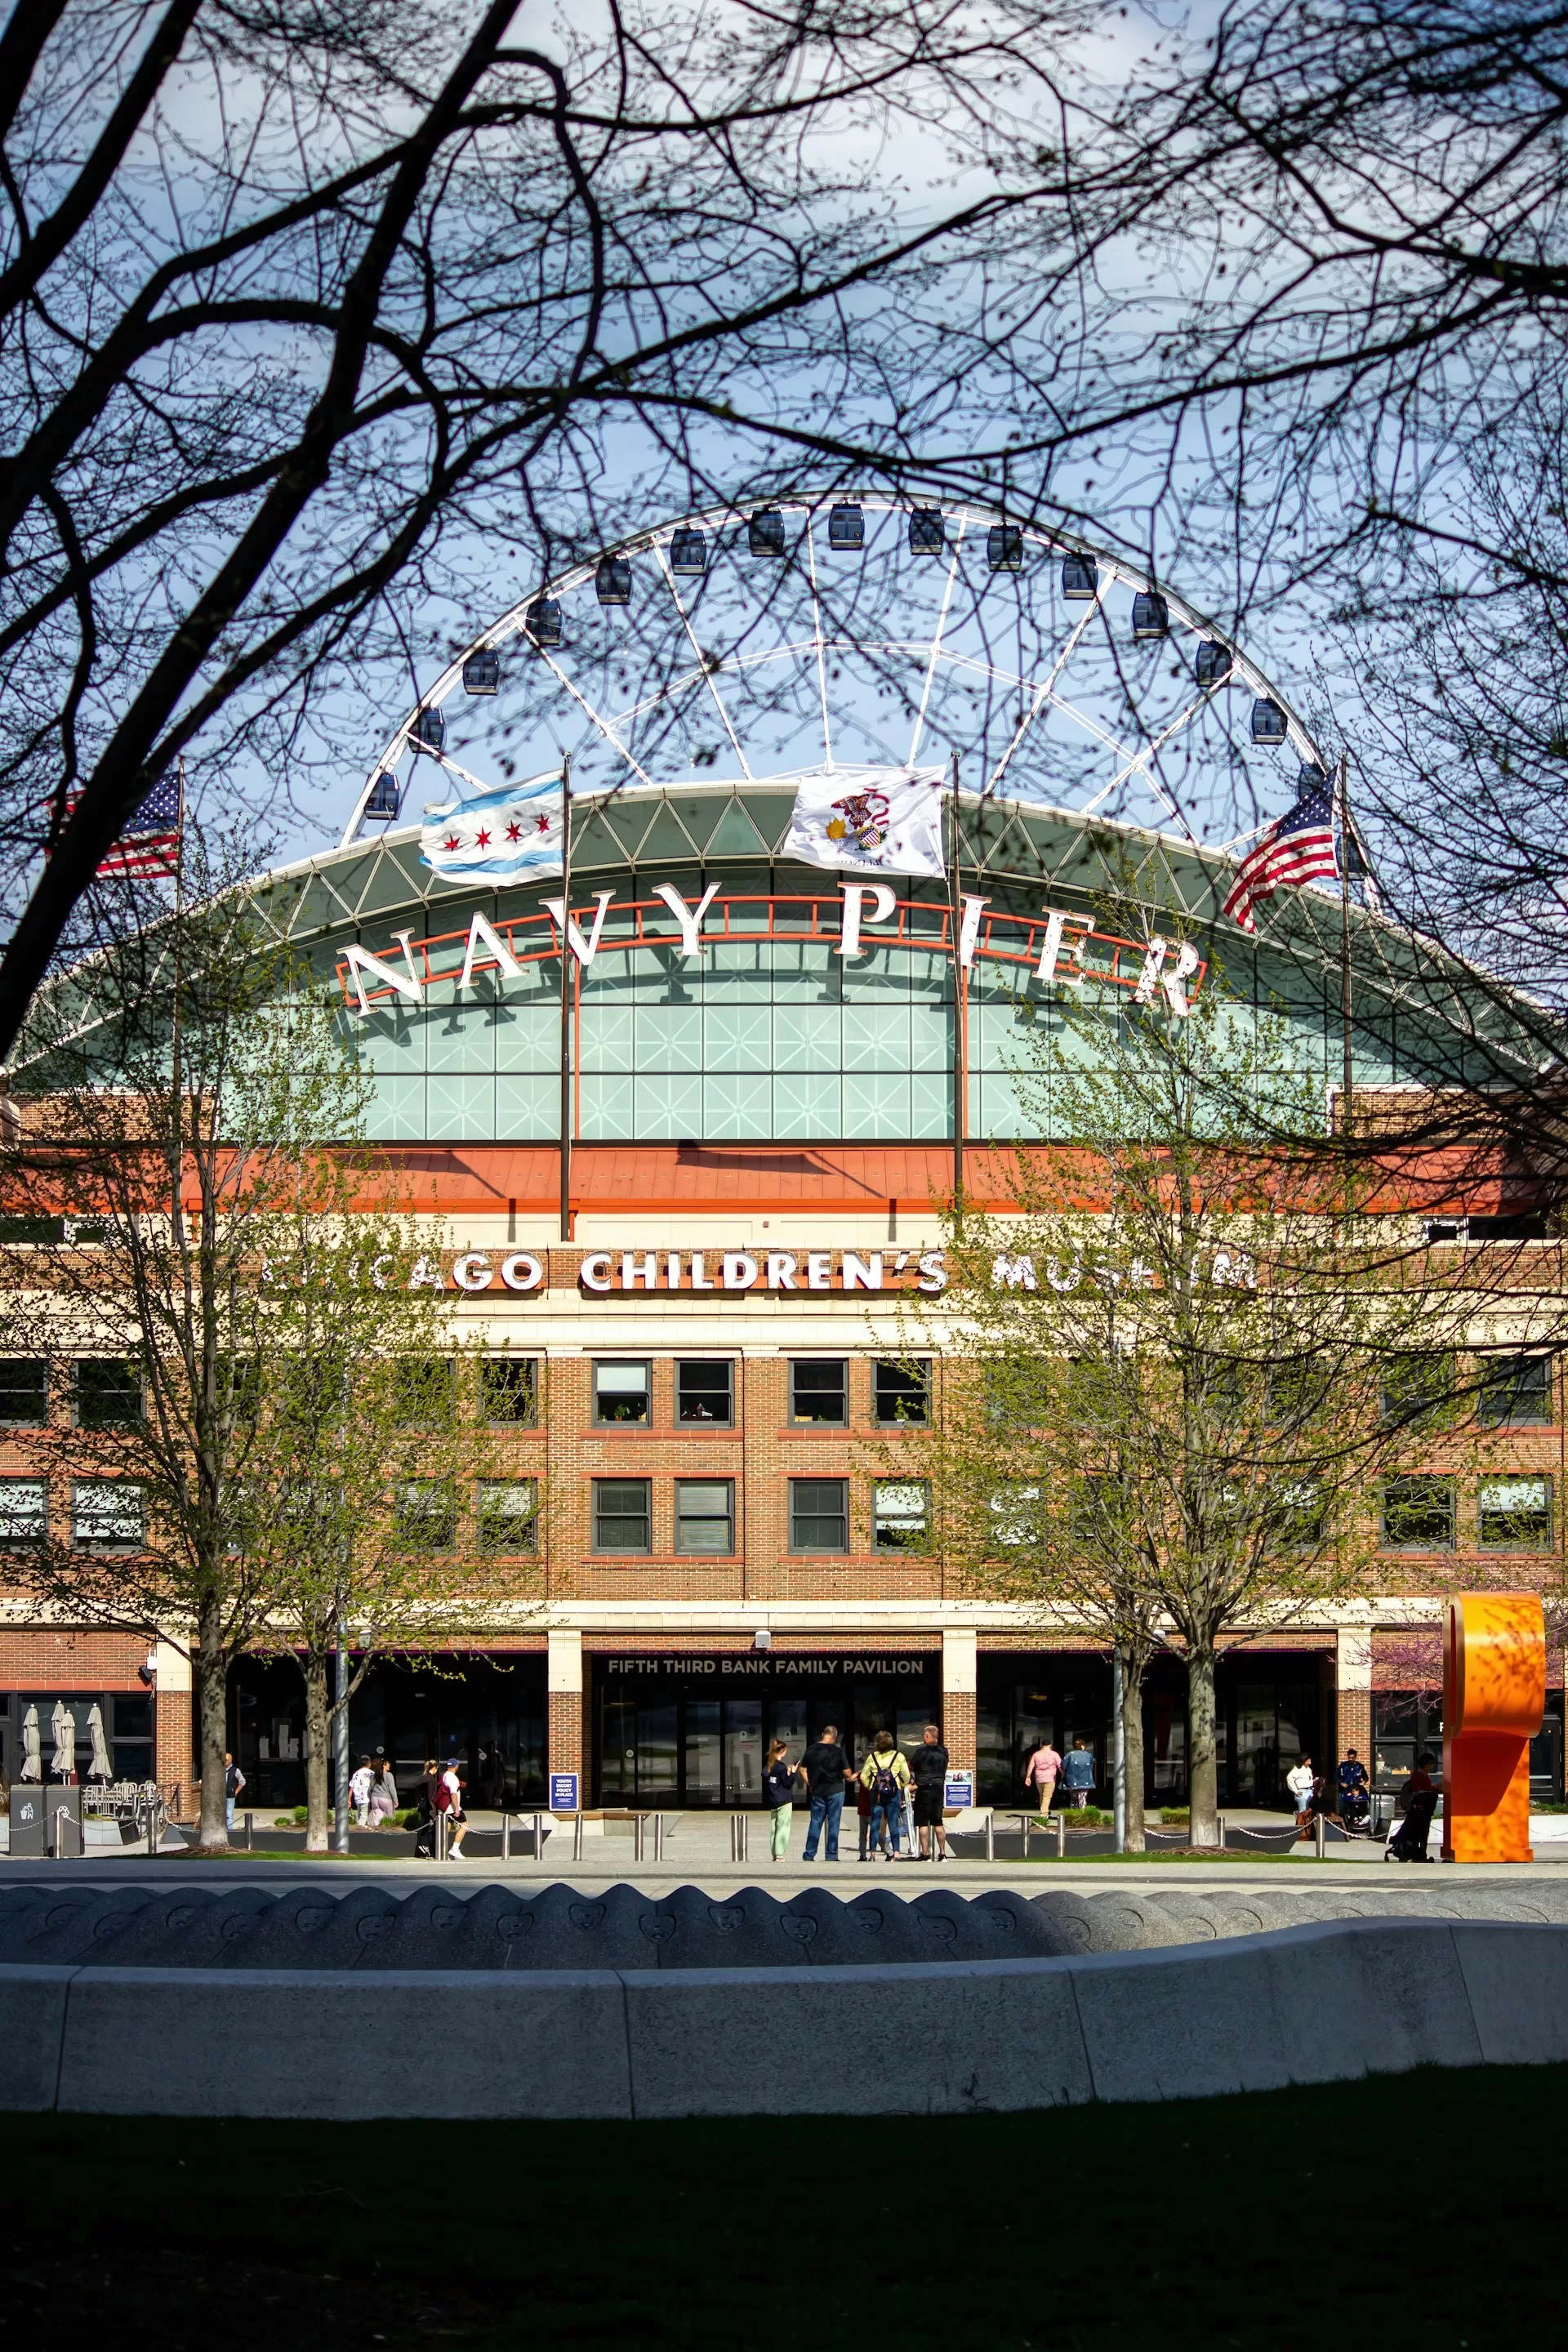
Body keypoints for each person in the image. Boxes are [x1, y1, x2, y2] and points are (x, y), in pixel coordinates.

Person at [796, 1723, 854, 1862]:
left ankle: (809, 1854)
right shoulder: (837, 1751)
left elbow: (802, 1769)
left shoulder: (811, 1749)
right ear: (834, 1737)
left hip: (817, 1791)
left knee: (816, 1822)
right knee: (834, 1823)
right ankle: (831, 1855)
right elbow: (847, 1774)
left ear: (823, 1734)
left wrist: (809, 1783)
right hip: (835, 1790)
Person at [859, 1728, 911, 1860]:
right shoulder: (898, 1756)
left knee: (875, 1824)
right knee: (894, 1824)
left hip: (876, 1794)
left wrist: (871, 1787)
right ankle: (897, 1853)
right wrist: (901, 1785)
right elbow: (906, 1775)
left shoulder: (872, 1757)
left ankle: (872, 1854)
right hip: (893, 1794)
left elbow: (864, 1776)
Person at [911, 1722, 951, 1860]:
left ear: (927, 1736)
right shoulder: (944, 1751)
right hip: (939, 1788)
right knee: (938, 1821)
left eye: (924, 1735)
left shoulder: (920, 1752)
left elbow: (911, 1767)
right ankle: (943, 1853)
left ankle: (925, 1854)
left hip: (923, 1789)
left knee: (923, 1822)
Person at [763, 1737, 795, 1860]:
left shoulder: (769, 1766)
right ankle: (780, 1853)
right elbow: (787, 1783)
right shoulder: (781, 1767)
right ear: (783, 1750)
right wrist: (792, 1773)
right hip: (784, 1800)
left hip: (773, 1799)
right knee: (783, 1827)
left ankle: (774, 1853)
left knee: (774, 1828)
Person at [1022, 1735, 1062, 1815]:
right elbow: (1060, 1765)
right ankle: (1043, 1814)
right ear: (1050, 1745)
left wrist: (1028, 1776)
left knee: (1042, 1795)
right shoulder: (1054, 1754)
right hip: (1050, 1778)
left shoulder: (1036, 1754)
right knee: (1047, 1796)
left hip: (1039, 1778)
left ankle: (1045, 1811)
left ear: (1042, 1745)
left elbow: (1031, 1765)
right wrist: (1063, 1774)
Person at [441, 1757, 470, 1857]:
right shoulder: (452, 1778)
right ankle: (455, 1849)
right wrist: (457, 1809)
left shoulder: (444, 1775)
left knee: (447, 1826)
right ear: (455, 1766)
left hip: (446, 1807)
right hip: (452, 1807)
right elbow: (453, 1794)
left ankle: (441, 1849)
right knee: (464, 1825)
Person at [1336, 1748, 1370, 1831]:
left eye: (1352, 1758)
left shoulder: (1359, 1766)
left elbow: (1365, 1777)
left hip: (1356, 1791)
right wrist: (1341, 1783)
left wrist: (1362, 1784)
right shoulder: (1343, 1766)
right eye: (1349, 1757)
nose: (1350, 1759)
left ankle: (1358, 1822)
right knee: (1342, 1808)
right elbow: (1336, 1777)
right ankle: (1343, 1828)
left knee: (1358, 1807)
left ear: (1355, 1757)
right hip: (1344, 1790)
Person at [413, 1757, 440, 1858]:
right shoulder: (431, 1779)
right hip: (428, 1805)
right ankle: (426, 1844)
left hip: (422, 1803)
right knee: (436, 1825)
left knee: (423, 1825)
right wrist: (434, 1809)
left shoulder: (422, 1777)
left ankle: (421, 1846)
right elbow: (431, 1796)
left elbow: (416, 1789)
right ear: (434, 1768)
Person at [1061, 1739, 1096, 1811]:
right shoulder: (1088, 1755)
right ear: (1082, 1746)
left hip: (1072, 1779)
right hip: (1086, 1780)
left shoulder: (1069, 1755)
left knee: (1073, 1798)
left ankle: (1074, 1813)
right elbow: (1092, 1762)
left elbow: (1063, 1766)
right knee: (1083, 1797)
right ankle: (1082, 1813)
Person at [368, 1752, 399, 1827]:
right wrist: (396, 1801)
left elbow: (370, 1788)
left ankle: (377, 1833)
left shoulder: (374, 1775)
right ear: (384, 1765)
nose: (389, 1765)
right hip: (386, 1798)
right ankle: (389, 1834)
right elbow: (392, 1789)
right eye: (388, 1763)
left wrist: (370, 1799)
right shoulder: (389, 1775)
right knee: (389, 1817)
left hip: (374, 1798)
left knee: (377, 1818)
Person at [1285, 1755, 1316, 1829]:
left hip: (1310, 1791)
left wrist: (1314, 1781)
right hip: (1302, 1791)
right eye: (1308, 1761)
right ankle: (1300, 1829)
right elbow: (1289, 1778)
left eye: (1310, 1761)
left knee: (1307, 1811)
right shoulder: (1297, 1769)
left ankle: (1306, 1827)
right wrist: (1295, 1790)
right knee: (1303, 1812)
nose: (1310, 1763)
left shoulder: (1308, 1769)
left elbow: (1308, 1780)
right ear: (1303, 1761)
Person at [350, 1753, 375, 1829]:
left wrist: (349, 1800)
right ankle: (361, 1830)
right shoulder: (371, 1773)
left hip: (357, 1797)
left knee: (360, 1814)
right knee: (364, 1815)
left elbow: (351, 1787)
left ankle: (361, 1827)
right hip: (366, 1797)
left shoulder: (356, 1774)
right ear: (369, 1764)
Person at [223, 1750, 246, 1834]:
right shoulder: (219, 1770)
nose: (224, 1762)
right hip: (219, 1796)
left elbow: (242, 1782)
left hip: (230, 1795)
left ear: (230, 1761)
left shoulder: (235, 1770)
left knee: (229, 1814)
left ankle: (229, 1831)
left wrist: (236, 1792)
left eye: (226, 1760)